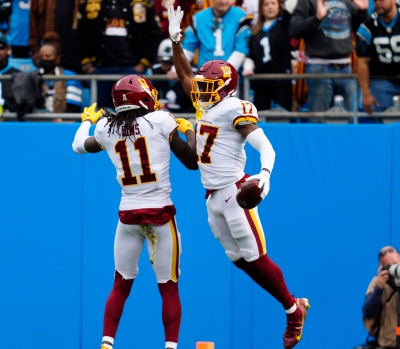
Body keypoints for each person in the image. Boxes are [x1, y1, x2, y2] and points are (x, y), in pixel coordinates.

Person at [169, 7, 310, 349]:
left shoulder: (235, 109)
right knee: (240, 260)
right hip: (211, 194)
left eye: (208, 86)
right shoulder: (207, 105)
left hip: (235, 190)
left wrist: (265, 175)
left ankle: (293, 310)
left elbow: (266, 147)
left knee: (256, 256)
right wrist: (175, 40)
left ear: (226, 88)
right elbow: (185, 74)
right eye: (202, 87)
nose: (200, 91)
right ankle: (292, 304)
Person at [71, 74, 198, 349]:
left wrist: (86, 121)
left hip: (127, 215)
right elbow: (192, 161)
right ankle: (171, 346)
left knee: (120, 283)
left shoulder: (105, 127)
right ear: (144, 96)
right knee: (168, 286)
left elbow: (78, 146)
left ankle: (106, 343)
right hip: (160, 214)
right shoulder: (162, 120)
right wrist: (189, 129)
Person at [72, 0, 163, 109]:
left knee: (133, 115)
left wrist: (144, 63)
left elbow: (155, 35)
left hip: (132, 70)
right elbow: (77, 35)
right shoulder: (88, 2)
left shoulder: (143, 3)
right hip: (99, 70)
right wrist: (87, 65)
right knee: (103, 118)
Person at [289, 0, 368, 112]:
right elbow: (294, 29)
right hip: (319, 69)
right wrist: (316, 19)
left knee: (351, 122)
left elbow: (358, 30)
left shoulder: (349, 1)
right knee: (319, 123)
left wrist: (362, 12)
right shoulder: (307, 1)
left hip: (346, 68)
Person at [355, 0, 400, 120]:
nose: (378, 3)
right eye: (375, 0)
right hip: (381, 81)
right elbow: (362, 61)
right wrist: (366, 93)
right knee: (382, 127)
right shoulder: (367, 26)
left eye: (382, 0)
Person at [244, 0, 295, 111]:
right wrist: (248, 68)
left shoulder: (285, 24)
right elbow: (250, 55)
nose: (270, 7)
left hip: (281, 81)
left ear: (279, 5)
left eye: (273, 3)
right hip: (261, 82)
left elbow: (291, 7)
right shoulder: (255, 31)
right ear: (261, 8)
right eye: (266, 4)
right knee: (260, 118)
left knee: (283, 118)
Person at [180, 0, 251, 71]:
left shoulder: (240, 17)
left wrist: (226, 72)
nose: (223, 1)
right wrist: (177, 69)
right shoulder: (198, 18)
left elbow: (241, 49)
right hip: (204, 75)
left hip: (232, 76)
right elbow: (188, 48)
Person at [36, 32, 83, 114]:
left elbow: (74, 108)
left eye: (48, 56)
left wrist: (60, 120)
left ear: (58, 58)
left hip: (63, 123)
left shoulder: (70, 77)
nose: (44, 59)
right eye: (41, 56)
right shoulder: (33, 77)